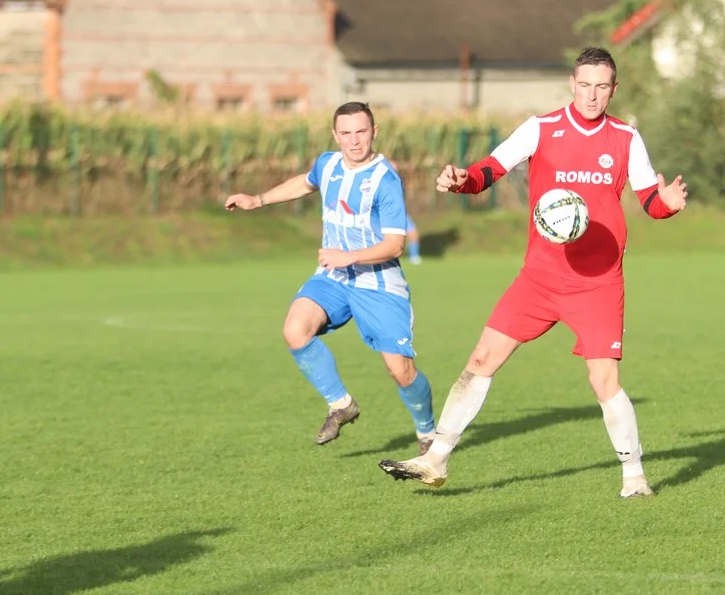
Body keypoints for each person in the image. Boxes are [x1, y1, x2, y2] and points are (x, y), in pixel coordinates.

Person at [377, 47, 688, 497]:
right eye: (585, 85)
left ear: (614, 89)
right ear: (572, 83)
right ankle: (435, 459)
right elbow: (491, 168)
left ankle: (634, 478)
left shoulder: (625, 138)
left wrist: (668, 206)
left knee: (604, 381)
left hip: (597, 282)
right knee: (482, 358)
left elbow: (650, 201)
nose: (593, 95)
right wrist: (465, 179)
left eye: (603, 86)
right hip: (540, 278)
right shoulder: (541, 128)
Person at [225, 102, 436, 456]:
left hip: (378, 282)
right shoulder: (328, 163)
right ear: (335, 135)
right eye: (346, 133)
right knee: (295, 330)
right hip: (334, 277)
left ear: (375, 132)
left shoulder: (385, 180)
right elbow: (307, 182)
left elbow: (395, 245)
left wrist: (348, 255)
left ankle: (429, 432)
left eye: (362, 132)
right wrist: (258, 199)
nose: (355, 141)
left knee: (400, 370)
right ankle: (340, 405)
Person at [387, 160, 423, 264]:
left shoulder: (399, 181)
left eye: (396, 168)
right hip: (384, 214)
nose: (395, 170)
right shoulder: (382, 182)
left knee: (413, 232)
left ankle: (414, 256)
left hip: (399, 213)